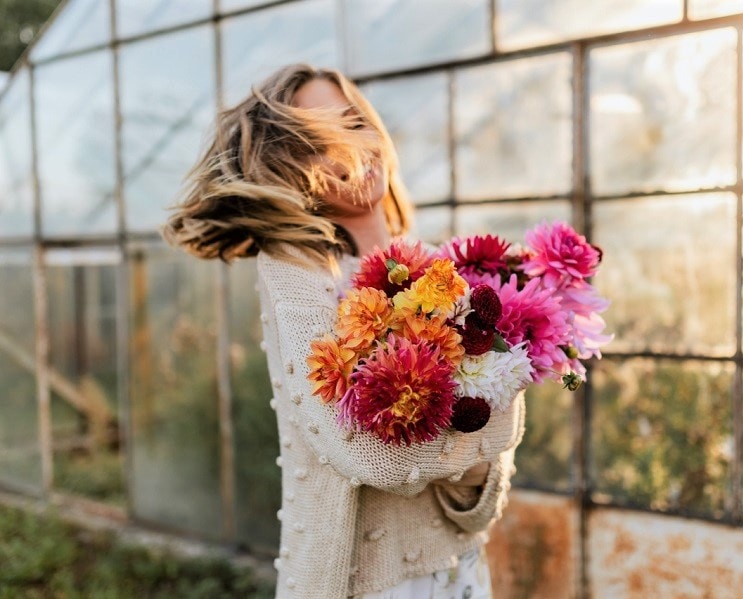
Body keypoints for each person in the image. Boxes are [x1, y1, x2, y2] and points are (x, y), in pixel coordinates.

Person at [161, 63, 526, 599]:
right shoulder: (294, 267)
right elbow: (367, 453)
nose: (355, 144)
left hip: (460, 571)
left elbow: (480, 491)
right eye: (324, 135)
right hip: (358, 585)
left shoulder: (429, 263)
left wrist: (480, 446)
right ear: (292, 162)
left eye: (356, 121)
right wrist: (495, 428)